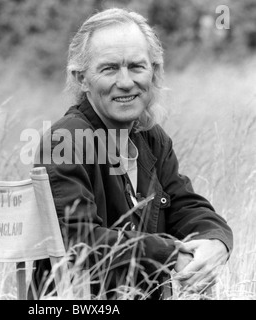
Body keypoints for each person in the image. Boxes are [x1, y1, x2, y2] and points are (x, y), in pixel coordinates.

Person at [31, 8, 233, 299]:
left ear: (155, 72)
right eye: (109, 68)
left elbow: (186, 206)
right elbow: (78, 241)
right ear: (81, 78)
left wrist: (215, 240)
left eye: (137, 67)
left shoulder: (151, 138)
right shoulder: (67, 139)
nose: (126, 82)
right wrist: (169, 253)